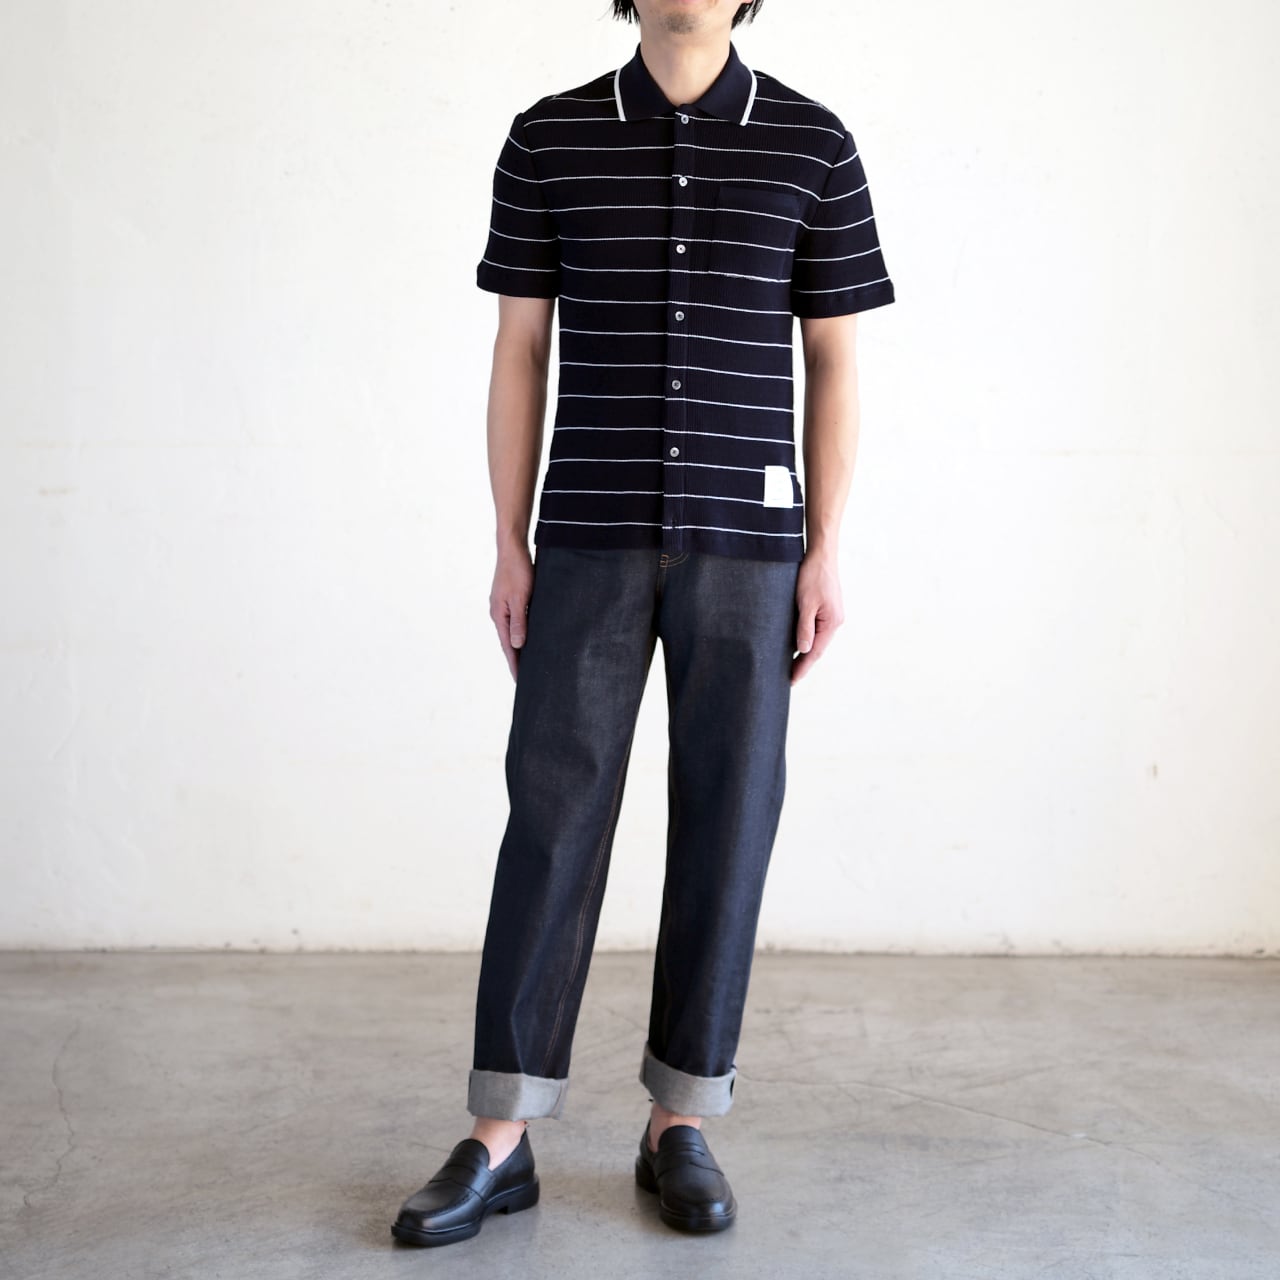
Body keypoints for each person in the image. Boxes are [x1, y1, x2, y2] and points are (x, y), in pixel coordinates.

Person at [392, 0, 895, 1247]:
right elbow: (520, 348)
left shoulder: (812, 143)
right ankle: (500, 1133)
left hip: (748, 545)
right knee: (550, 814)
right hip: (587, 534)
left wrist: (825, 545)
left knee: (728, 815)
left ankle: (680, 1118)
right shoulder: (546, 138)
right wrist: (509, 538)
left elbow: (833, 357)